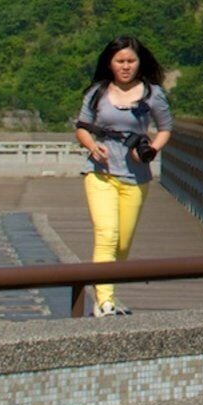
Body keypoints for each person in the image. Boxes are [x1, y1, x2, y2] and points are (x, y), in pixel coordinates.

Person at [70, 36, 173, 314]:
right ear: (110, 63)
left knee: (123, 242)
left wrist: (150, 150)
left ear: (139, 63)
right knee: (106, 234)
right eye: (120, 61)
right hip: (100, 173)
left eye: (130, 61)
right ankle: (104, 301)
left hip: (135, 176)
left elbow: (165, 128)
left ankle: (105, 290)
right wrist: (92, 145)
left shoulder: (152, 94)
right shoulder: (97, 93)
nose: (125, 66)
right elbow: (81, 128)